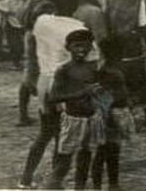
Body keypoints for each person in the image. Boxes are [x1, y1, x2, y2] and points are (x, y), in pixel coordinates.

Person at [18, 0, 97, 189]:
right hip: (67, 85)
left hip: (45, 80)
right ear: (76, 2)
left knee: (45, 133)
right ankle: (54, 181)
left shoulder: (42, 22)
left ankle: (26, 178)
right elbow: (91, 61)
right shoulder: (78, 28)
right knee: (66, 138)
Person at [45, 29, 106, 190]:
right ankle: (51, 186)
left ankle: (79, 187)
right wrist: (82, 93)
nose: (81, 50)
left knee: (85, 157)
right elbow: (53, 97)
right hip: (73, 120)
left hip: (91, 118)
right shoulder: (64, 70)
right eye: (77, 46)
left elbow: (101, 92)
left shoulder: (93, 67)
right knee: (64, 161)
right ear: (68, 47)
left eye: (85, 46)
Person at [102, 0, 146, 126]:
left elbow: (104, 19)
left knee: (119, 78)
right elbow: (143, 23)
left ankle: (124, 117)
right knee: (140, 77)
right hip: (133, 42)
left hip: (114, 44)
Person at [92, 38, 136, 191]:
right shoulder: (110, 71)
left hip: (113, 112)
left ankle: (112, 184)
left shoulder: (109, 68)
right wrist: (109, 115)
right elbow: (107, 96)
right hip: (111, 113)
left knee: (109, 150)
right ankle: (104, 185)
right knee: (105, 151)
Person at [16, 0, 55, 126]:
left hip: (28, 35)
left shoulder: (22, 2)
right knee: (41, 75)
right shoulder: (37, 0)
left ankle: (23, 113)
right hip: (38, 36)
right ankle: (44, 112)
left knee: (28, 76)